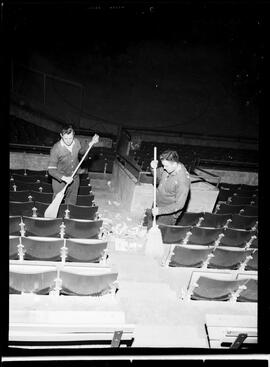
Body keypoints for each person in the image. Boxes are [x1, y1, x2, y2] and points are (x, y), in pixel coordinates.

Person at [48, 125, 98, 205]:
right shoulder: (55, 149)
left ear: (73, 135)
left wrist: (91, 142)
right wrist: (64, 178)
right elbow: (51, 170)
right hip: (59, 180)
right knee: (57, 203)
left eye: (70, 138)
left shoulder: (76, 142)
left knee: (71, 202)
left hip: (74, 177)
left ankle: (68, 217)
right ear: (61, 135)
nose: (68, 141)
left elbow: (81, 152)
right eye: (65, 138)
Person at [146, 149, 190, 227]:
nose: (164, 168)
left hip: (169, 213)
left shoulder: (183, 181)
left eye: (166, 166)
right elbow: (157, 175)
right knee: (150, 225)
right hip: (157, 203)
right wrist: (153, 168)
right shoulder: (169, 168)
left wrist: (160, 211)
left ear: (174, 164)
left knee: (160, 232)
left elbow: (179, 204)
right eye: (163, 165)